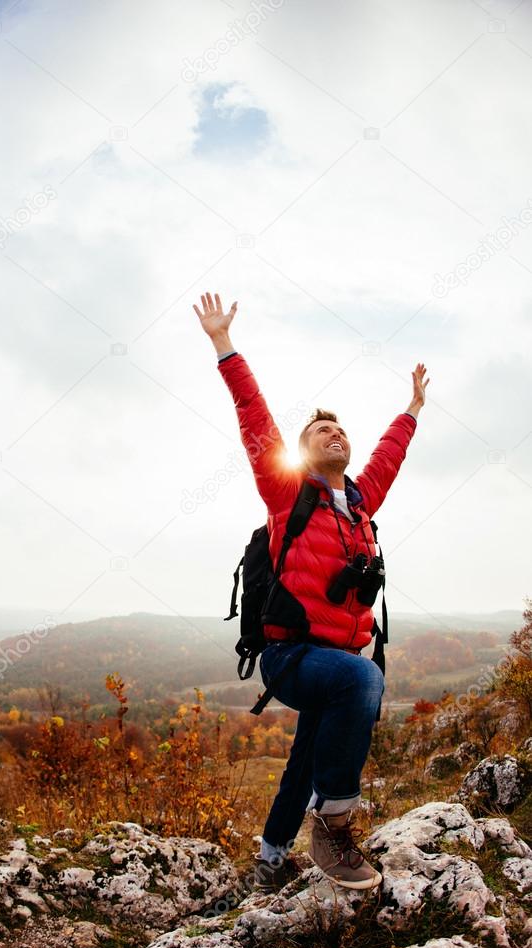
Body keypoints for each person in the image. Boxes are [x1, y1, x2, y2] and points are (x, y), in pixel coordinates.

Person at [193, 292, 429, 891]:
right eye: (323, 429)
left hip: (335, 656)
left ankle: (271, 861)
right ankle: (334, 826)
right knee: (363, 681)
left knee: (303, 759)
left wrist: (412, 408)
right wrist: (225, 345)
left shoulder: (360, 504)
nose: (335, 434)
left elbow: (389, 456)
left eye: (341, 429)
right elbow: (255, 416)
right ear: (304, 450)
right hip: (292, 655)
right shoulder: (286, 493)